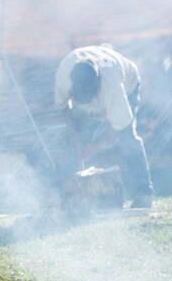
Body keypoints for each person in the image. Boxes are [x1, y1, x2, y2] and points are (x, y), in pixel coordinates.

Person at [55, 44, 153, 209]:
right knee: (73, 140)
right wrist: (71, 126)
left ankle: (144, 193)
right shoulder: (64, 75)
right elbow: (62, 106)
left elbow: (119, 125)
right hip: (93, 100)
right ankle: (71, 194)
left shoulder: (112, 85)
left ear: (98, 84)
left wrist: (96, 145)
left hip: (128, 85)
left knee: (128, 139)